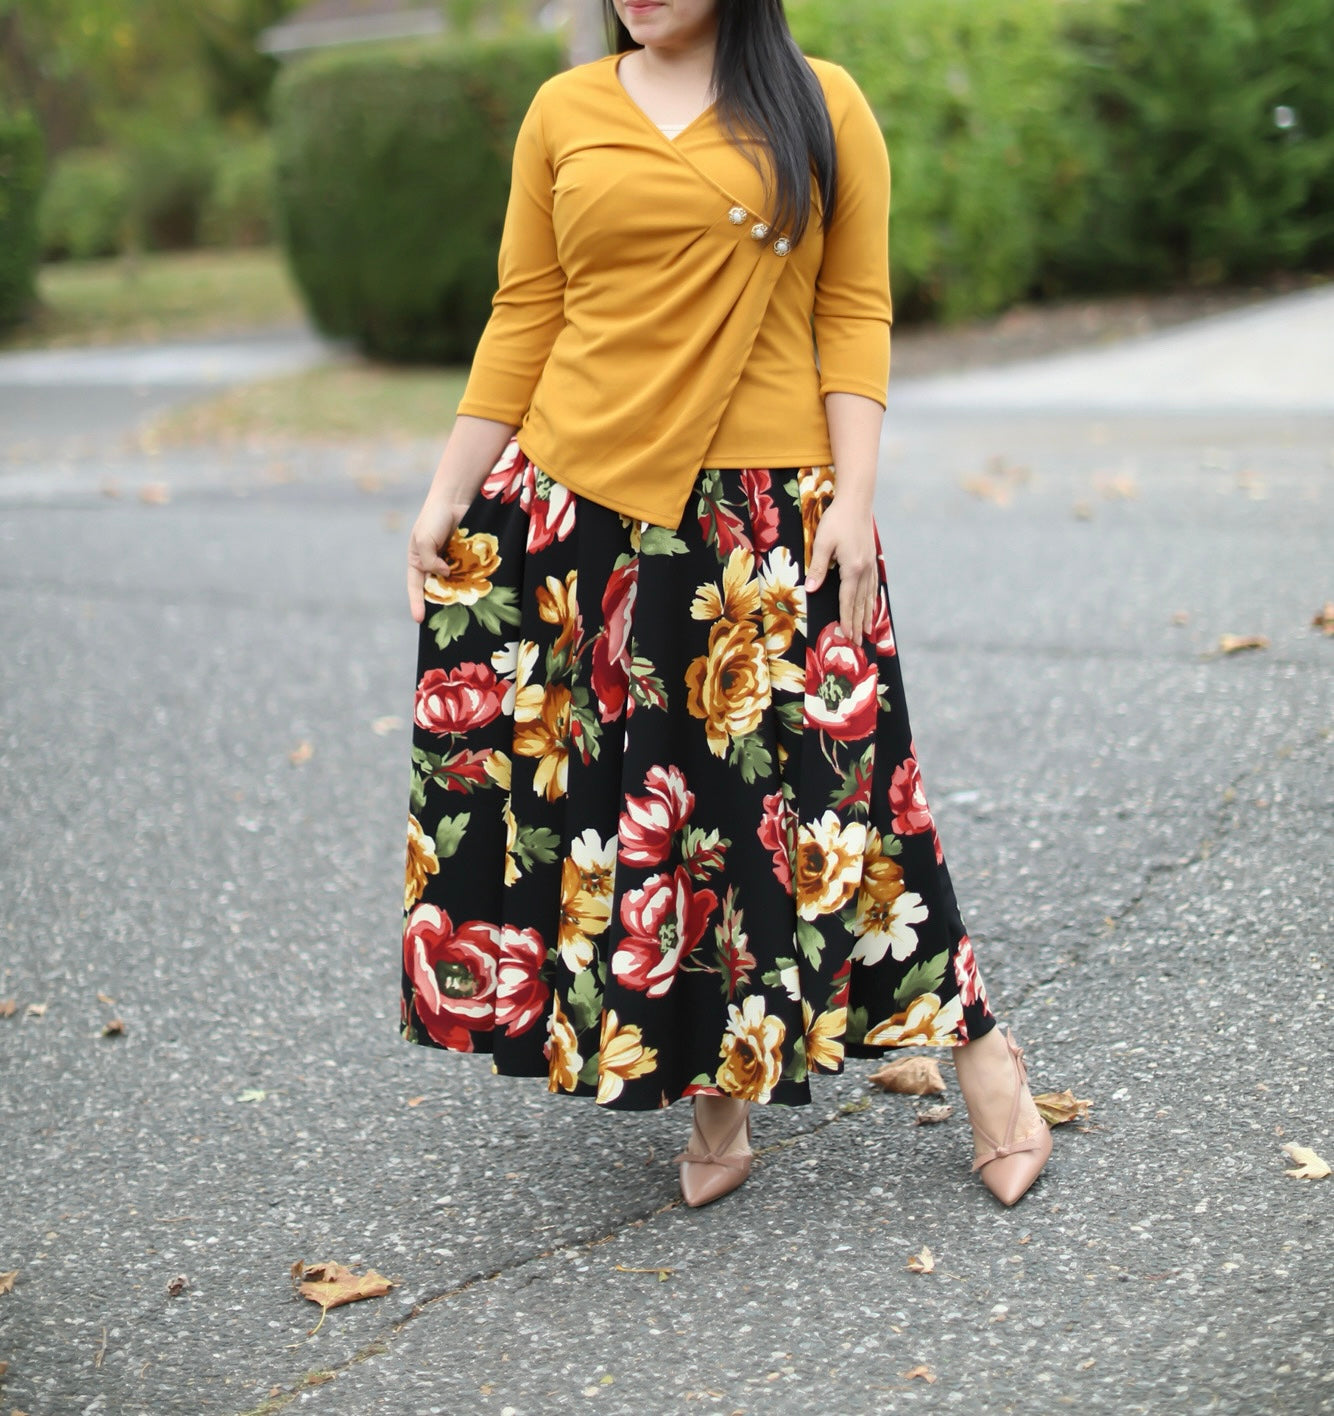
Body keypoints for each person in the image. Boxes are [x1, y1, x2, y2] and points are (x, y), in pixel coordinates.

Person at [400, 0, 1052, 1208]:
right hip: (579, 513)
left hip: (767, 514)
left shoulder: (822, 103)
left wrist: (851, 500)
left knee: (846, 798)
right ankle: (709, 1092)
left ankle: (983, 1059)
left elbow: (852, 312)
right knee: (648, 818)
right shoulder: (564, 111)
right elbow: (527, 314)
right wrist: (446, 491)